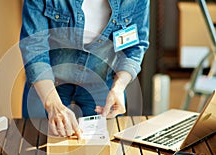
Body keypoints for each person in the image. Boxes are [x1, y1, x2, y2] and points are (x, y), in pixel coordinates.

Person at [19, 0, 150, 138]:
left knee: (103, 152)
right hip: (48, 84)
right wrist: (53, 105)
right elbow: (34, 47)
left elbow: (135, 46)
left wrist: (118, 87)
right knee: (37, 150)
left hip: (102, 84)